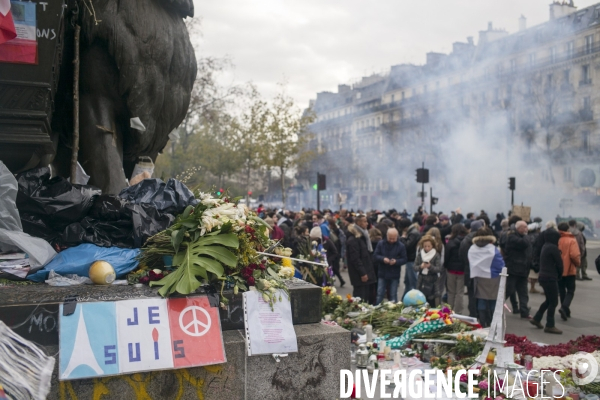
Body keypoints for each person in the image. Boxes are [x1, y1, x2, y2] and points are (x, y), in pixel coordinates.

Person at [468, 227, 505, 328]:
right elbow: (500, 265)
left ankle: (482, 323)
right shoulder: (493, 249)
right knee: (493, 300)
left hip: (478, 278)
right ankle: (493, 323)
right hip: (493, 277)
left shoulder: (472, 248)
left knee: (481, 300)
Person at [530, 229, 564, 334]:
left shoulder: (545, 246)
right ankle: (550, 325)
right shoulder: (553, 248)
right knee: (553, 301)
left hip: (543, 276)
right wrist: (559, 275)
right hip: (550, 277)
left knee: (548, 300)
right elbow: (559, 264)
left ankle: (537, 318)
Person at [504, 220, 532, 319]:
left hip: (523, 270)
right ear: (518, 228)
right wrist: (527, 236)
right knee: (509, 290)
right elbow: (523, 243)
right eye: (524, 227)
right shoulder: (512, 237)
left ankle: (524, 311)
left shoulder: (523, 237)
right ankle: (496, 306)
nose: (526, 229)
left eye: (526, 227)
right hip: (513, 269)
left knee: (523, 292)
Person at [346, 217, 377, 303]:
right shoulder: (354, 239)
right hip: (360, 275)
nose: (367, 223)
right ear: (359, 223)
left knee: (366, 297)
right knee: (360, 298)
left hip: (366, 271)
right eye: (365, 221)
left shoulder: (362, 236)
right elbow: (355, 259)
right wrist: (363, 273)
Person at [373, 228, 407, 304]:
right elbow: (375, 255)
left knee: (393, 294)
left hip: (394, 273)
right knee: (380, 293)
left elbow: (404, 259)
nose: (391, 240)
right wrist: (383, 259)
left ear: (397, 237)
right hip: (382, 272)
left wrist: (396, 261)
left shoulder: (401, 246)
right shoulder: (381, 243)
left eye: (393, 238)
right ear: (387, 236)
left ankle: (393, 309)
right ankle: (377, 309)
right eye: (390, 238)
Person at [460, 219, 485, 318]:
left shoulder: (465, 240)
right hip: (482, 271)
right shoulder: (483, 240)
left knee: (471, 294)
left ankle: (473, 313)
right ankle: (481, 314)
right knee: (481, 294)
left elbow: (461, 255)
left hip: (469, 270)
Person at [557, 222, 581, 320]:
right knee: (570, 290)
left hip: (559, 269)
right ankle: (564, 307)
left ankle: (565, 310)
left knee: (562, 290)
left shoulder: (557, 239)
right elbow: (574, 255)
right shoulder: (572, 240)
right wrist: (578, 263)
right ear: (568, 229)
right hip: (570, 269)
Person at [445, 224, 468, 314]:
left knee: (451, 292)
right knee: (460, 292)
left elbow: (446, 257)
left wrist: (446, 266)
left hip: (451, 270)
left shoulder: (450, 242)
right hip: (462, 270)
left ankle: (449, 311)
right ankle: (458, 312)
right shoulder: (466, 242)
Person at [413, 235, 442, 306]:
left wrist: (430, 266)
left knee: (432, 302)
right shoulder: (420, 254)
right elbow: (414, 267)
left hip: (432, 281)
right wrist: (421, 266)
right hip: (421, 281)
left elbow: (439, 269)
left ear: (432, 245)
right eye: (425, 246)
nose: (427, 248)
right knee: (421, 302)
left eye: (429, 246)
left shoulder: (436, 255)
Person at [398, 218, 421, 297]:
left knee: (412, 281)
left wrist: (403, 238)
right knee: (408, 281)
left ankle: (415, 298)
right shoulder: (413, 232)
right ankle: (405, 298)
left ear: (405, 227)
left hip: (411, 259)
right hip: (410, 259)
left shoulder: (413, 233)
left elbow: (407, 245)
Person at [428, 227, 446, 306]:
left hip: (424, 271)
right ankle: (436, 307)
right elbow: (442, 260)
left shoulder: (422, 243)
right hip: (436, 272)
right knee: (437, 290)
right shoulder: (441, 245)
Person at [327, 218, 346, 287]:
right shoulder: (337, 230)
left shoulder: (332, 231)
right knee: (335, 267)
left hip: (334, 251)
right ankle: (338, 280)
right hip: (337, 251)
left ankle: (336, 280)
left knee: (334, 267)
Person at [527, 223, 542, 294]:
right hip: (536, 255)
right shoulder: (538, 236)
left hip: (529, 255)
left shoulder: (527, 236)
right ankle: (533, 287)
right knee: (535, 272)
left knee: (531, 272)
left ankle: (532, 287)